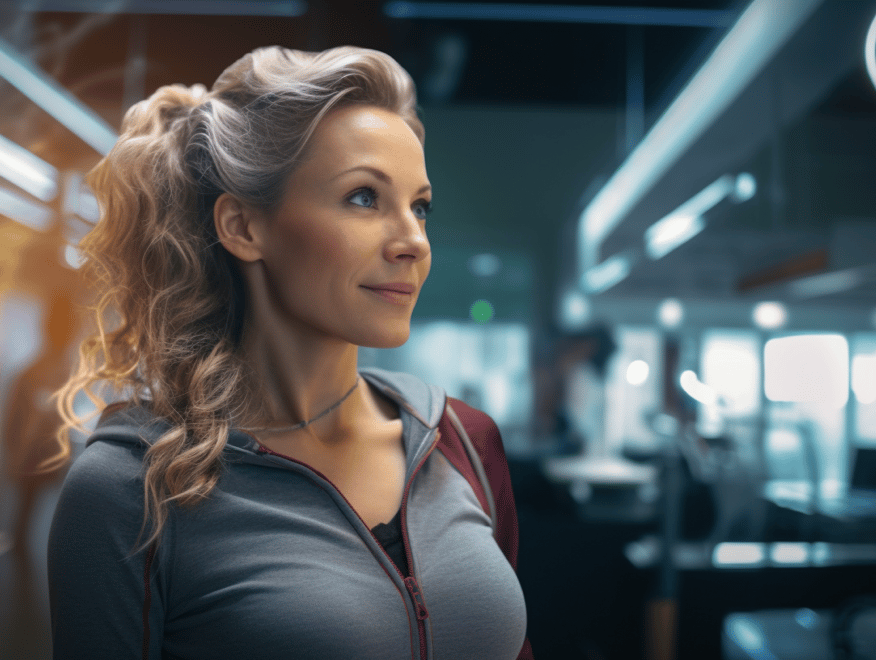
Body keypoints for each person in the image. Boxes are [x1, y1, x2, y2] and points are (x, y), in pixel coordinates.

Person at [46, 45, 532, 659]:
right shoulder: (133, 488)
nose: (413, 240)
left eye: (420, 206)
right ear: (244, 228)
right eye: (363, 197)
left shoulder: (461, 440)